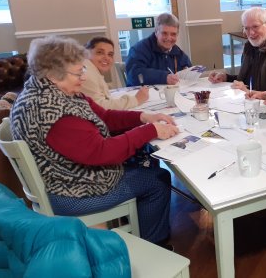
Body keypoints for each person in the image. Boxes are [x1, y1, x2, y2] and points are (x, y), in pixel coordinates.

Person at [9, 36, 181, 247]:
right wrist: (149, 130)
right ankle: (155, 245)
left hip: (68, 174)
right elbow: (102, 153)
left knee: (144, 158)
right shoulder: (52, 111)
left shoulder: (54, 91)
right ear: (53, 74)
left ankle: (137, 223)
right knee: (158, 179)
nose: (83, 77)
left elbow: (105, 116)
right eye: (78, 72)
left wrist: (143, 117)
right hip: (72, 191)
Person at [208, 7, 266, 92]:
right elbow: (247, 78)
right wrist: (226, 77)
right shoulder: (249, 46)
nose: (251, 33)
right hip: (249, 100)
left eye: (255, 26)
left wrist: (248, 91)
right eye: (246, 28)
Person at [81, 36, 149, 109]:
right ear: (86, 54)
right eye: (100, 52)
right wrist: (136, 100)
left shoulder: (90, 70)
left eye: (110, 54)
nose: (106, 58)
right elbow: (99, 107)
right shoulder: (86, 74)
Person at [126, 13, 192, 86]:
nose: (169, 38)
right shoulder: (139, 49)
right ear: (156, 32)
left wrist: (188, 71)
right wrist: (164, 77)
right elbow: (134, 75)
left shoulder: (177, 51)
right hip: (144, 95)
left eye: (173, 34)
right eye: (164, 33)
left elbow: (187, 66)